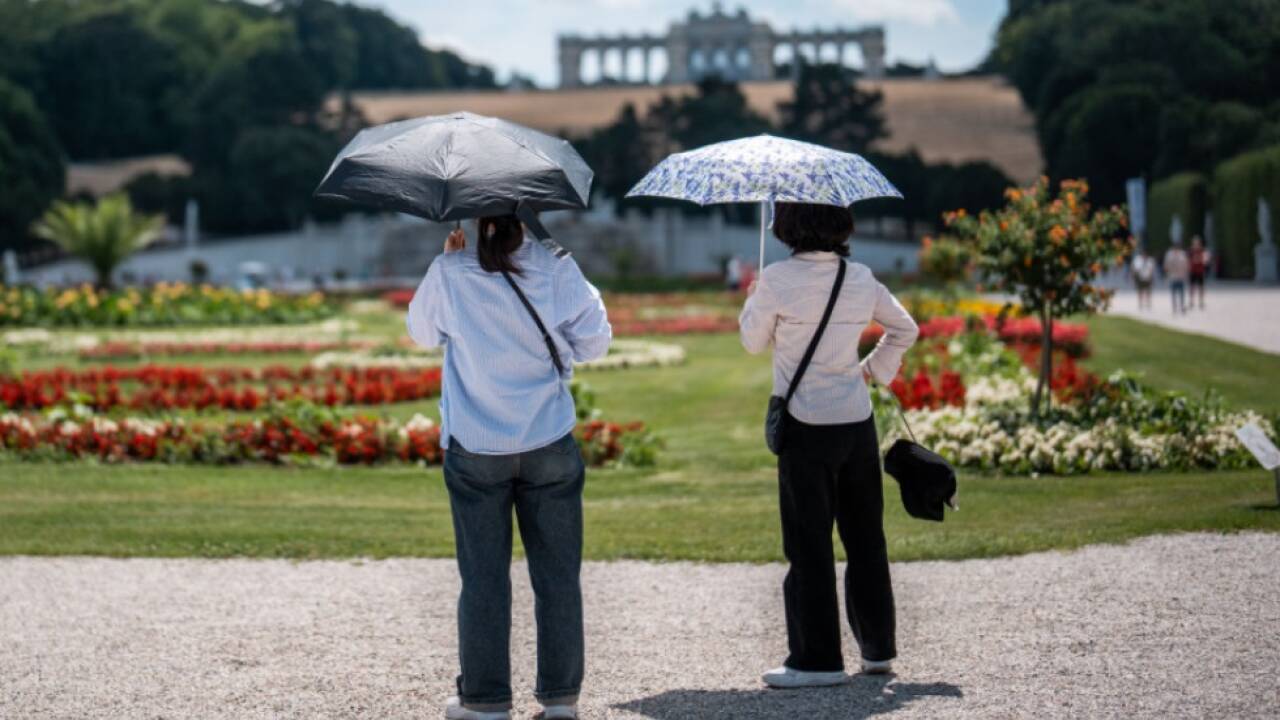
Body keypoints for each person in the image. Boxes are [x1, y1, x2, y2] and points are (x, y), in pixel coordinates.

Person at [406, 216, 611, 720]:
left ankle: (486, 702)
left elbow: (421, 334)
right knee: (558, 577)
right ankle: (560, 701)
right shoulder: (557, 267)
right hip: (546, 438)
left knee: (482, 579)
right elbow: (595, 343)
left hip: (476, 444)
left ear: (477, 219)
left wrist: (449, 259)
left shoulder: (451, 270)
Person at [738, 203, 919, 688]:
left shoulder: (776, 279)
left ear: (788, 226)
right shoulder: (859, 277)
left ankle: (817, 661)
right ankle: (877, 649)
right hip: (856, 422)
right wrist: (873, 370)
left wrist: (754, 298)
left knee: (809, 542)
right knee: (866, 537)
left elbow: (752, 343)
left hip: (805, 424)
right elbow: (905, 328)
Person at [1163, 239, 1190, 314]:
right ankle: (1174, 307)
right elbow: (1166, 265)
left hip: (1181, 276)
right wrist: (1167, 273)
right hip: (1173, 276)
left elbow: (1186, 264)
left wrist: (1186, 273)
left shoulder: (1182, 254)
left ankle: (1182, 306)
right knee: (1173, 292)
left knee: (1182, 292)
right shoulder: (1169, 254)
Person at [1188, 236, 1211, 310]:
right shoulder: (1191, 251)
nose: (1196, 243)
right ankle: (1191, 301)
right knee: (1192, 287)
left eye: (1197, 242)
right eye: (1195, 242)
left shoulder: (1202, 250)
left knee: (1201, 287)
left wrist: (1201, 259)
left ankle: (1201, 302)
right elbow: (1188, 260)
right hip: (1192, 271)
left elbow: (1205, 260)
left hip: (1200, 271)